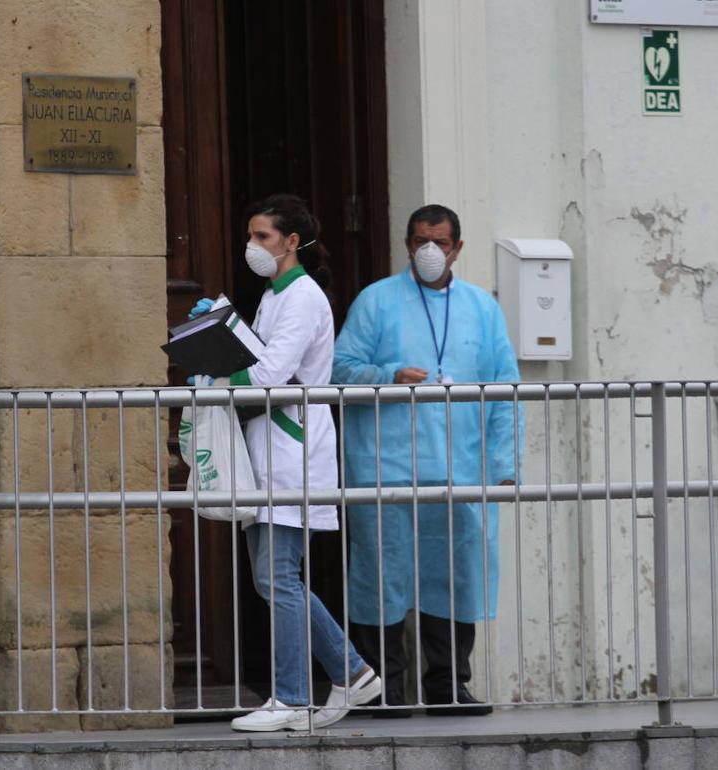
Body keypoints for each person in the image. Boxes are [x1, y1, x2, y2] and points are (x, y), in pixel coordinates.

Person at [188, 193, 381, 731]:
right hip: (271, 447)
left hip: (292, 447)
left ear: (292, 242)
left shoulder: (300, 297)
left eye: (263, 237)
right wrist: (219, 336)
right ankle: (353, 673)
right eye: (249, 236)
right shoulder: (275, 295)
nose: (252, 246)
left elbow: (272, 373)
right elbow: (261, 358)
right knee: (276, 578)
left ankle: (294, 697)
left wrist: (219, 373)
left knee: (278, 577)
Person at [332, 203, 521, 717]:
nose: (429, 251)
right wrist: (389, 375)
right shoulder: (376, 302)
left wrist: (504, 465)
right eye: (419, 241)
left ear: (458, 247)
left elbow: (506, 391)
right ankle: (384, 691)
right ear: (407, 246)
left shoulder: (483, 309)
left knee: (456, 575)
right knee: (380, 575)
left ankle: (448, 687)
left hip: (461, 467)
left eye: (440, 241)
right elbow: (338, 368)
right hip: (386, 465)